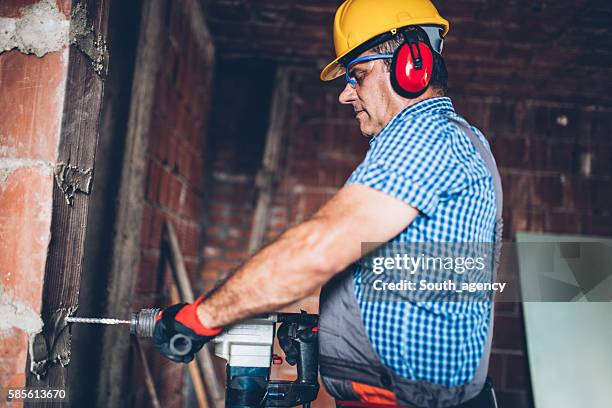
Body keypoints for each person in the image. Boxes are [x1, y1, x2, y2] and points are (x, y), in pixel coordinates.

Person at [153, 1, 502, 407]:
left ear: (412, 66)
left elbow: (319, 249)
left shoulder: (427, 136)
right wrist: (328, 332)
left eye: (357, 75)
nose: (344, 95)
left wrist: (199, 319)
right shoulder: (455, 138)